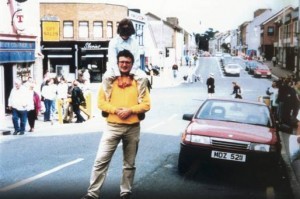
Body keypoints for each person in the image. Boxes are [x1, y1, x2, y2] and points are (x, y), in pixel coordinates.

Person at [81, 50, 151, 199]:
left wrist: (130, 110)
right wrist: (115, 110)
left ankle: (125, 192)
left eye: (127, 62)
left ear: (132, 64)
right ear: (117, 63)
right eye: (122, 62)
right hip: (112, 127)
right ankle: (92, 194)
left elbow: (146, 104)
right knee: (100, 161)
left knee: (129, 163)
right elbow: (100, 102)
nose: (124, 65)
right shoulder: (109, 80)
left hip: (133, 128)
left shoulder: (139, 81)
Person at [103, 18, 148, 104]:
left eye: (128, 34)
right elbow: (112, 61)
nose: (126, 36)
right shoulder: (113, 42)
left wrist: (130, 76)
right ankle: (107, 101)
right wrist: (118, 77)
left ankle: (140, 101)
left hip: (131, 68)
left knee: (143, 77)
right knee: (106, 77)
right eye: (124, 34)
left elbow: (137, 60)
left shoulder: (134, 42)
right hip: (117, 68)